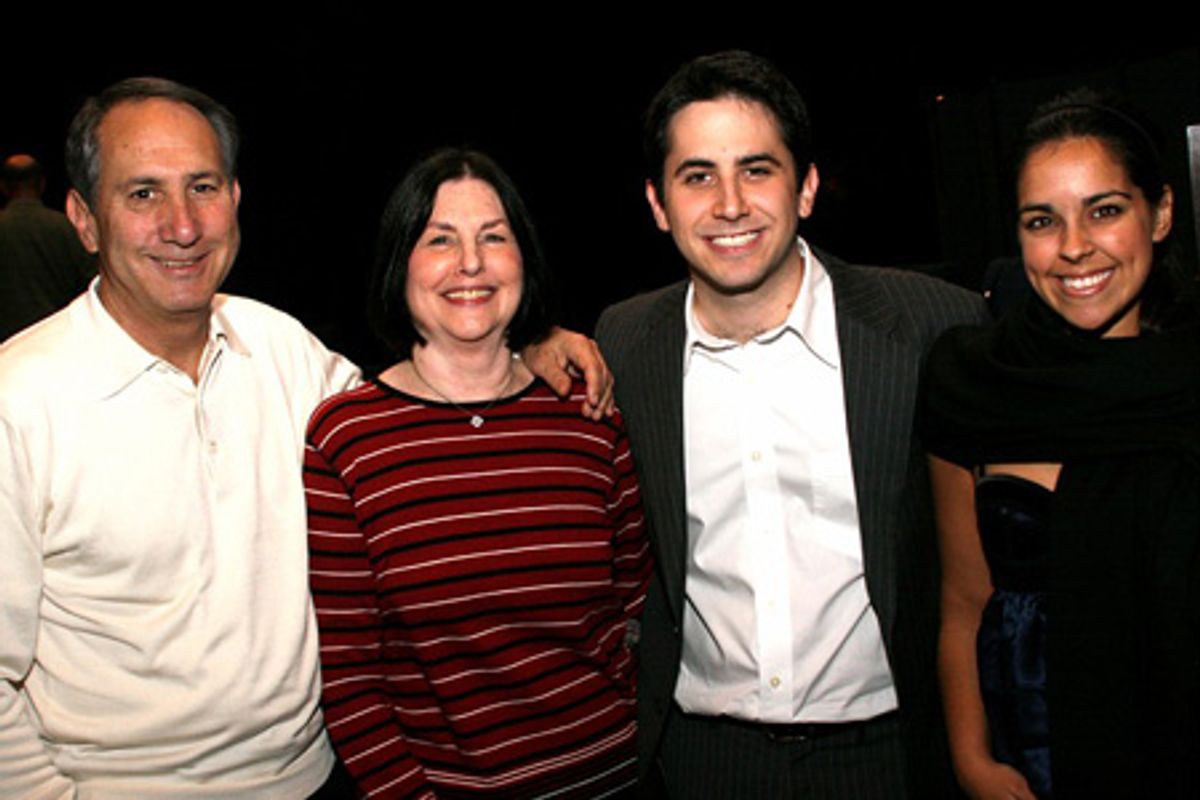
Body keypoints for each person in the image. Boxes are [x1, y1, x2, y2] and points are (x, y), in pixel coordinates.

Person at [0, 78, 608, 799]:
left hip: (317, 779)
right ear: (84, 218)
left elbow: (417, 413)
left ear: (236, 198)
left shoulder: (277, 345)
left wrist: (524, 346)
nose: (183, 224)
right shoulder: (20, 399)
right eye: (143, 195)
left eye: (204, 187)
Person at [593, 51, 988, 798]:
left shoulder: (930, 326)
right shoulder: (622, 344)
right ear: (657, 203)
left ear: (805, 187)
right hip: (702, 762)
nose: (730, 203)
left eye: (757, 169)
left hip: (894, 756)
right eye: (697, 175)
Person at [304, 148, 651, 798]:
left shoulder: (588, 411)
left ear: (524, 259)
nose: (471, 262)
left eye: (494, 237)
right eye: (440, 240)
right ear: (399, 263)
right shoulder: (345, 439)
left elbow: (639, 608)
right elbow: (350, 679)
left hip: (618, 780)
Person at [923, 90, 1200, 799]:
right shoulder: (972, 382)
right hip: (1032, 760)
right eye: (1042, 221)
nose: (1074, 247)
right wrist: (973, 764)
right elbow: (962, 600)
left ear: (1160, 212)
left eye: (1105, 210)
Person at [0, 154, 94, 341]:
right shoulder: (68, 228)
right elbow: (90, 282)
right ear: (41, 184)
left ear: (3, 186)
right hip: (58, 340)